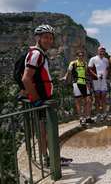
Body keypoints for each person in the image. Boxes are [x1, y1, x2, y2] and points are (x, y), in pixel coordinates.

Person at [22, 24, 72, 166]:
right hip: (42, 100)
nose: (49, 40)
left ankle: (51, 157)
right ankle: (49, 159)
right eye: (45, 37)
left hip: (44, 98)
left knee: (45, 131)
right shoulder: (36, 54)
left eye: (50, 38)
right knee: (45, 132)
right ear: (38, 38)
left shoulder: (40, 54)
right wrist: (37, 101)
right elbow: (26, 78)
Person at [61, 49, 93, 124]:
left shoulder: (85, 63)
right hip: (76, 83)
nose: (81, 56)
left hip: (84, 82)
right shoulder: (73, 63)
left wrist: (88, 82)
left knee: (88, 101)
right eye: (79, 55)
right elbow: (68, 72)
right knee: (78, 101)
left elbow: (86, 73)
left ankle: (87, 117)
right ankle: (81, 118)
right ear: (76, 56)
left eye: (82, 55)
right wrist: (65, 77)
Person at [88, 46, 110, 119]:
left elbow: (107, 69)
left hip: (103, 80)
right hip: (95, 80)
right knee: (97, 97)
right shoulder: (93, 59)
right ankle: (98, 113)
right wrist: (96, 75)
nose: (102, 52)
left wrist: (106, 76)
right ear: (98, 51)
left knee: (103, 96)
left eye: (103, 51)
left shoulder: (106, 60)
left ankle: (104, 113)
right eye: (101, 50)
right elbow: (89, 69)